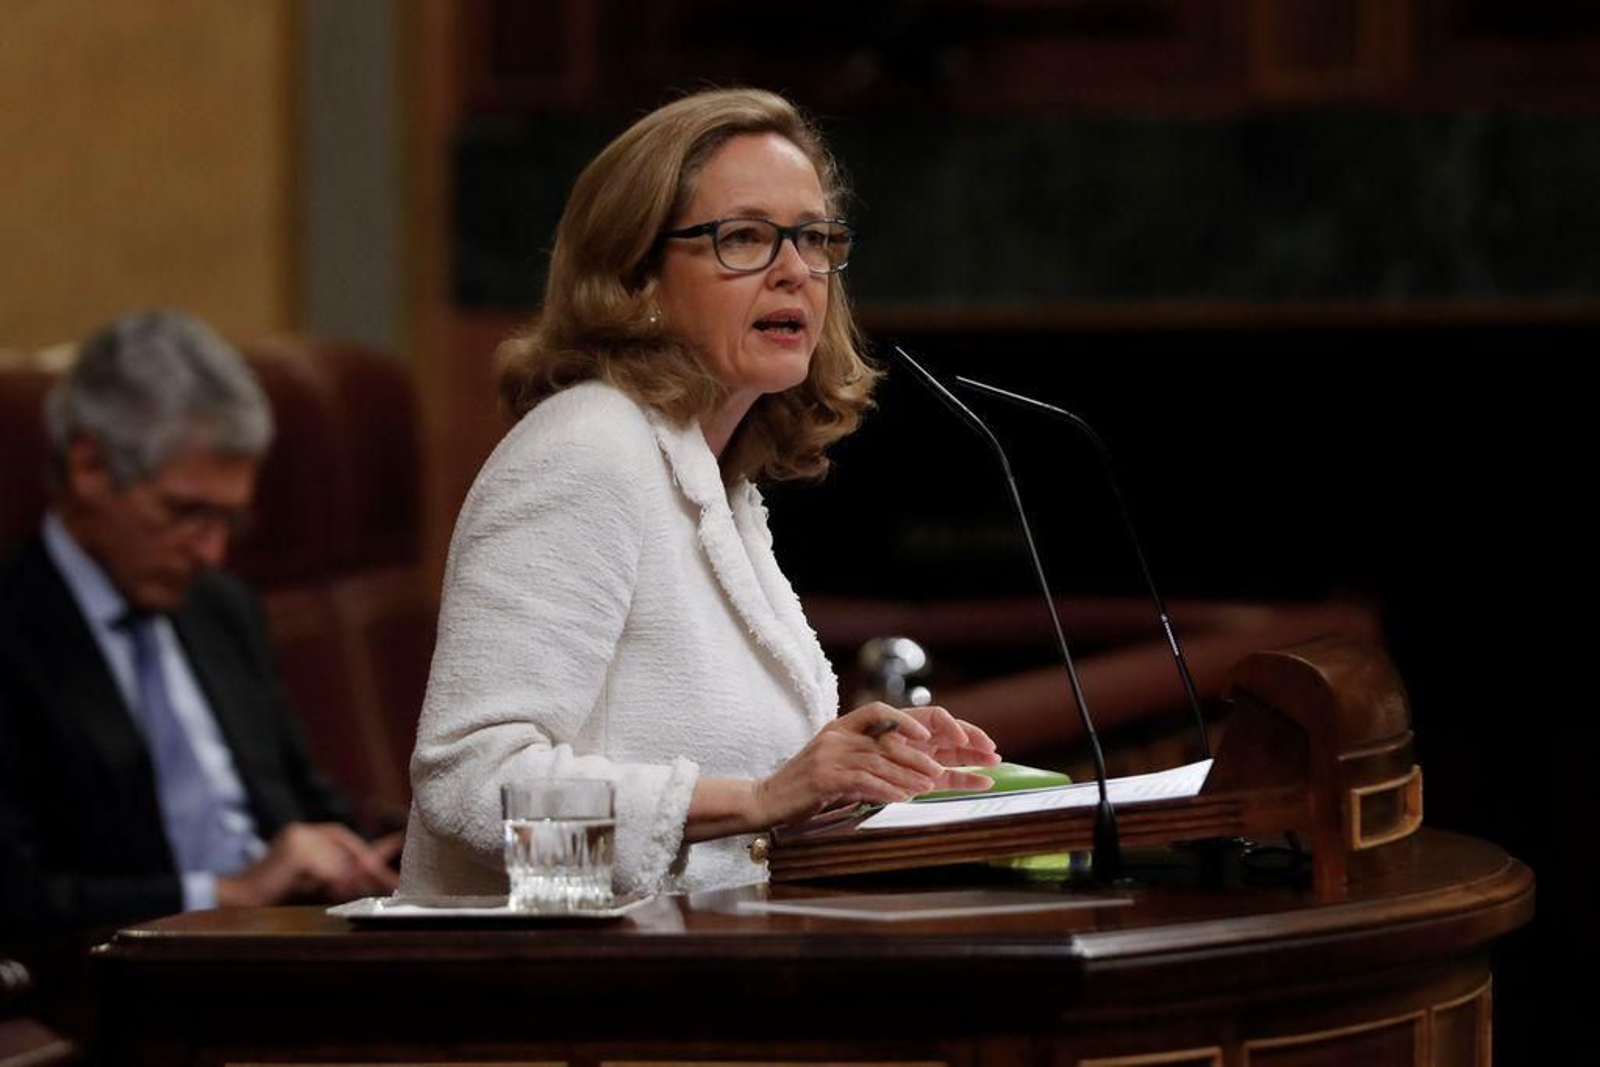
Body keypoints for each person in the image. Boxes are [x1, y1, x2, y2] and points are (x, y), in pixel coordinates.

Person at [400, 88, 1000, 898]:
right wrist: (759, 797)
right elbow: (470, 786)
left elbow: (737, 829)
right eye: (744, 238)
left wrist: (867, 778)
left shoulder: (715, 477)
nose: (796, 270)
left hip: (691, 975)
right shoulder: (585, 451)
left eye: (814, 238)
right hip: (551, 995)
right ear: (636, 279)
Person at [0, 309, 401, 937]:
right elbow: (20, 898)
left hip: (287, 947)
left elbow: (302, 796)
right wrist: (228, 893)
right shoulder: (14, 630)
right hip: (134, 978)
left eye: (230, 522)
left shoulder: (221, 607)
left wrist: (365, 856)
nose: (213, 552)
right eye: (187, 512)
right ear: (90, 468)